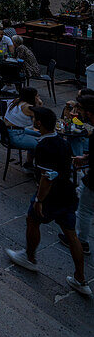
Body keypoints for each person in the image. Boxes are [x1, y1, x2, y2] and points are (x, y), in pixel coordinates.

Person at [6, 106, 91, 297]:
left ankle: (29, 257)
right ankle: (80, 279)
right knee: (72, 236)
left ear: (38, 123)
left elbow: (47, 177)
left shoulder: (43, 146)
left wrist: (39, 200)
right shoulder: (62, 142)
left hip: (51, 196)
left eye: (35, 118)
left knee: (32, 220)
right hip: (68, 194)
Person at [60, 92, 94, 256]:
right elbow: (66, 123)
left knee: (85, 210)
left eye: (79, 108)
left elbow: (87, 132)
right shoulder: (78, 116)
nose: (76, 110)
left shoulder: (90, 126)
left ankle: (82, 242)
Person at [3, 86, 43, 162]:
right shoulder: (28, 107)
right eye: (37, 96)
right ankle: (32, 164)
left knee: (39, 134)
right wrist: (40, 103)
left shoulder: (17, 101)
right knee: (41, 144)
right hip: (15, 135)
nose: (38, 97)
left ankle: (29, 162)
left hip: (10, 131)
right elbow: (40, 119)